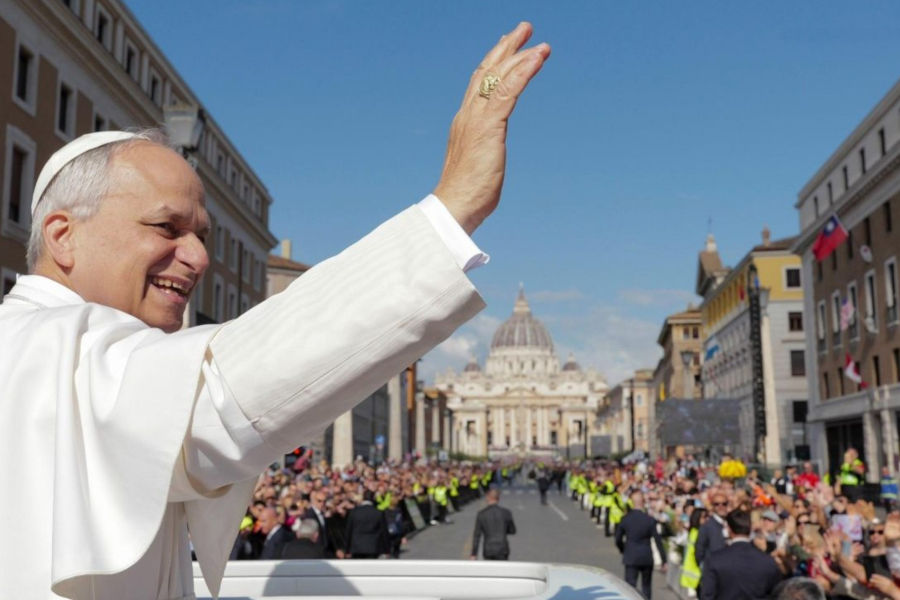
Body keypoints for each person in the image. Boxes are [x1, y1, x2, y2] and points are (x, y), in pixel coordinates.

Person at [0, 23, 551, 599]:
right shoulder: (47, 349)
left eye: (201, 236)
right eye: (166, 227)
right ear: (63, 236)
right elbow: (225, 394)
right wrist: (453, 207)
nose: (198, 257)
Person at [699, 509, 782, 600]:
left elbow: (707, 596)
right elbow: (775, 594)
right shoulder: (767, 561)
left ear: (729, 529)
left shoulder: (715, 560)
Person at [615, 490, 666, 600]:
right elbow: (658, 541)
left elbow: (618, 538)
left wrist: (623, 549)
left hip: (631, 555)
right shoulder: (649, 520)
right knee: (646, 586)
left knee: (630, 587)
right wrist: (664, 560)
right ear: (643, 502)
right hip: (646, 556)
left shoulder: (626, 519)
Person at [470, 488, 517, 560]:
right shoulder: (506, 512)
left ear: (487, 498)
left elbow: (477, 535)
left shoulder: (482, 514)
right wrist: (503, 529)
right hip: (502, 548)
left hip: (489, 549)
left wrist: (474, 553)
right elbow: (512, 531)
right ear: (498, 498)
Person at [344, 490, 388, 559]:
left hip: (356, 547)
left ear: (363, 498)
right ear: (373, 498)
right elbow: (384, 531)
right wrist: (386, 550)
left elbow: (348, 531)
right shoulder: (378, 513)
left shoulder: (354, 512)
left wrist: (346, 549)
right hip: (373, 547)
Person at [695, 491, 729, 565]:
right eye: (717, 504)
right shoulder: (706, 526)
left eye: (724, 504)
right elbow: (699, 550)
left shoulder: (731, 524)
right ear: (712, 506)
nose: (721, 507)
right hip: (713, 567)